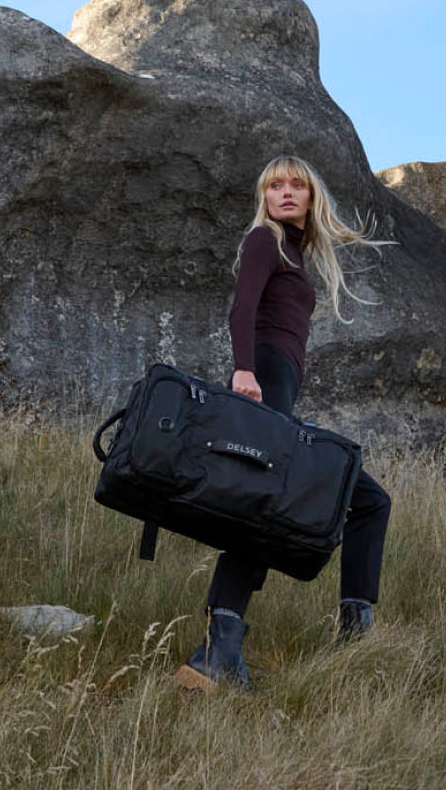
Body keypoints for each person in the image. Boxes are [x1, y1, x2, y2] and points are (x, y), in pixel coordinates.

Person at [176, 155, 392, 692]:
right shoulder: (263, 241)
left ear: (313, 196)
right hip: (264, 380)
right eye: (275, 185)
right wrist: (244, 369)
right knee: (267, 505)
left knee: (358, 502)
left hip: (281, 386)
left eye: (297, 185)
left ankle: (348, 628)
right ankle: (221, 652)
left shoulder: (294, 253)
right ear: (264, 197)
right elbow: (241, 309)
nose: (286, 192)